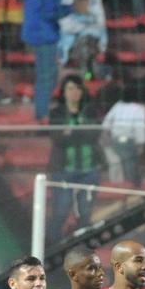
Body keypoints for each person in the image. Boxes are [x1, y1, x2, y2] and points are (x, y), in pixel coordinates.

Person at [46, 75, 103, 242]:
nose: (74, 92)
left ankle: (83, 249)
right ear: (63, 92)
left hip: (89, 170)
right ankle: (52, 247)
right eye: (70, 88)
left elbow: (94, 134)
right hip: (63, 170)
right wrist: (80, 132)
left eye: (78, 88)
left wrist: (71, 132)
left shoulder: (91, 110)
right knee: (61, 212)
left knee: (85, 213)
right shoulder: (56, 113)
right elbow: (58, 138)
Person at [22, 0, 69, 122]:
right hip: (44, 32)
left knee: (49, 74)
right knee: (47, 76)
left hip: (34, 28)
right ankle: (41, 116)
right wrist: (73, 8)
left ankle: (43, 110)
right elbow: (50, 12)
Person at [101, 82, 145, 185]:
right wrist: (141, 144)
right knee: (130, 164)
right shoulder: (138, 108)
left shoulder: (117, 106)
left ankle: (130, 184)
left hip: (116, 140)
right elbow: (140, 128)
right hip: (126, 142)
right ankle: (131, 185)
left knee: (127, 164)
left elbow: (106, 124)